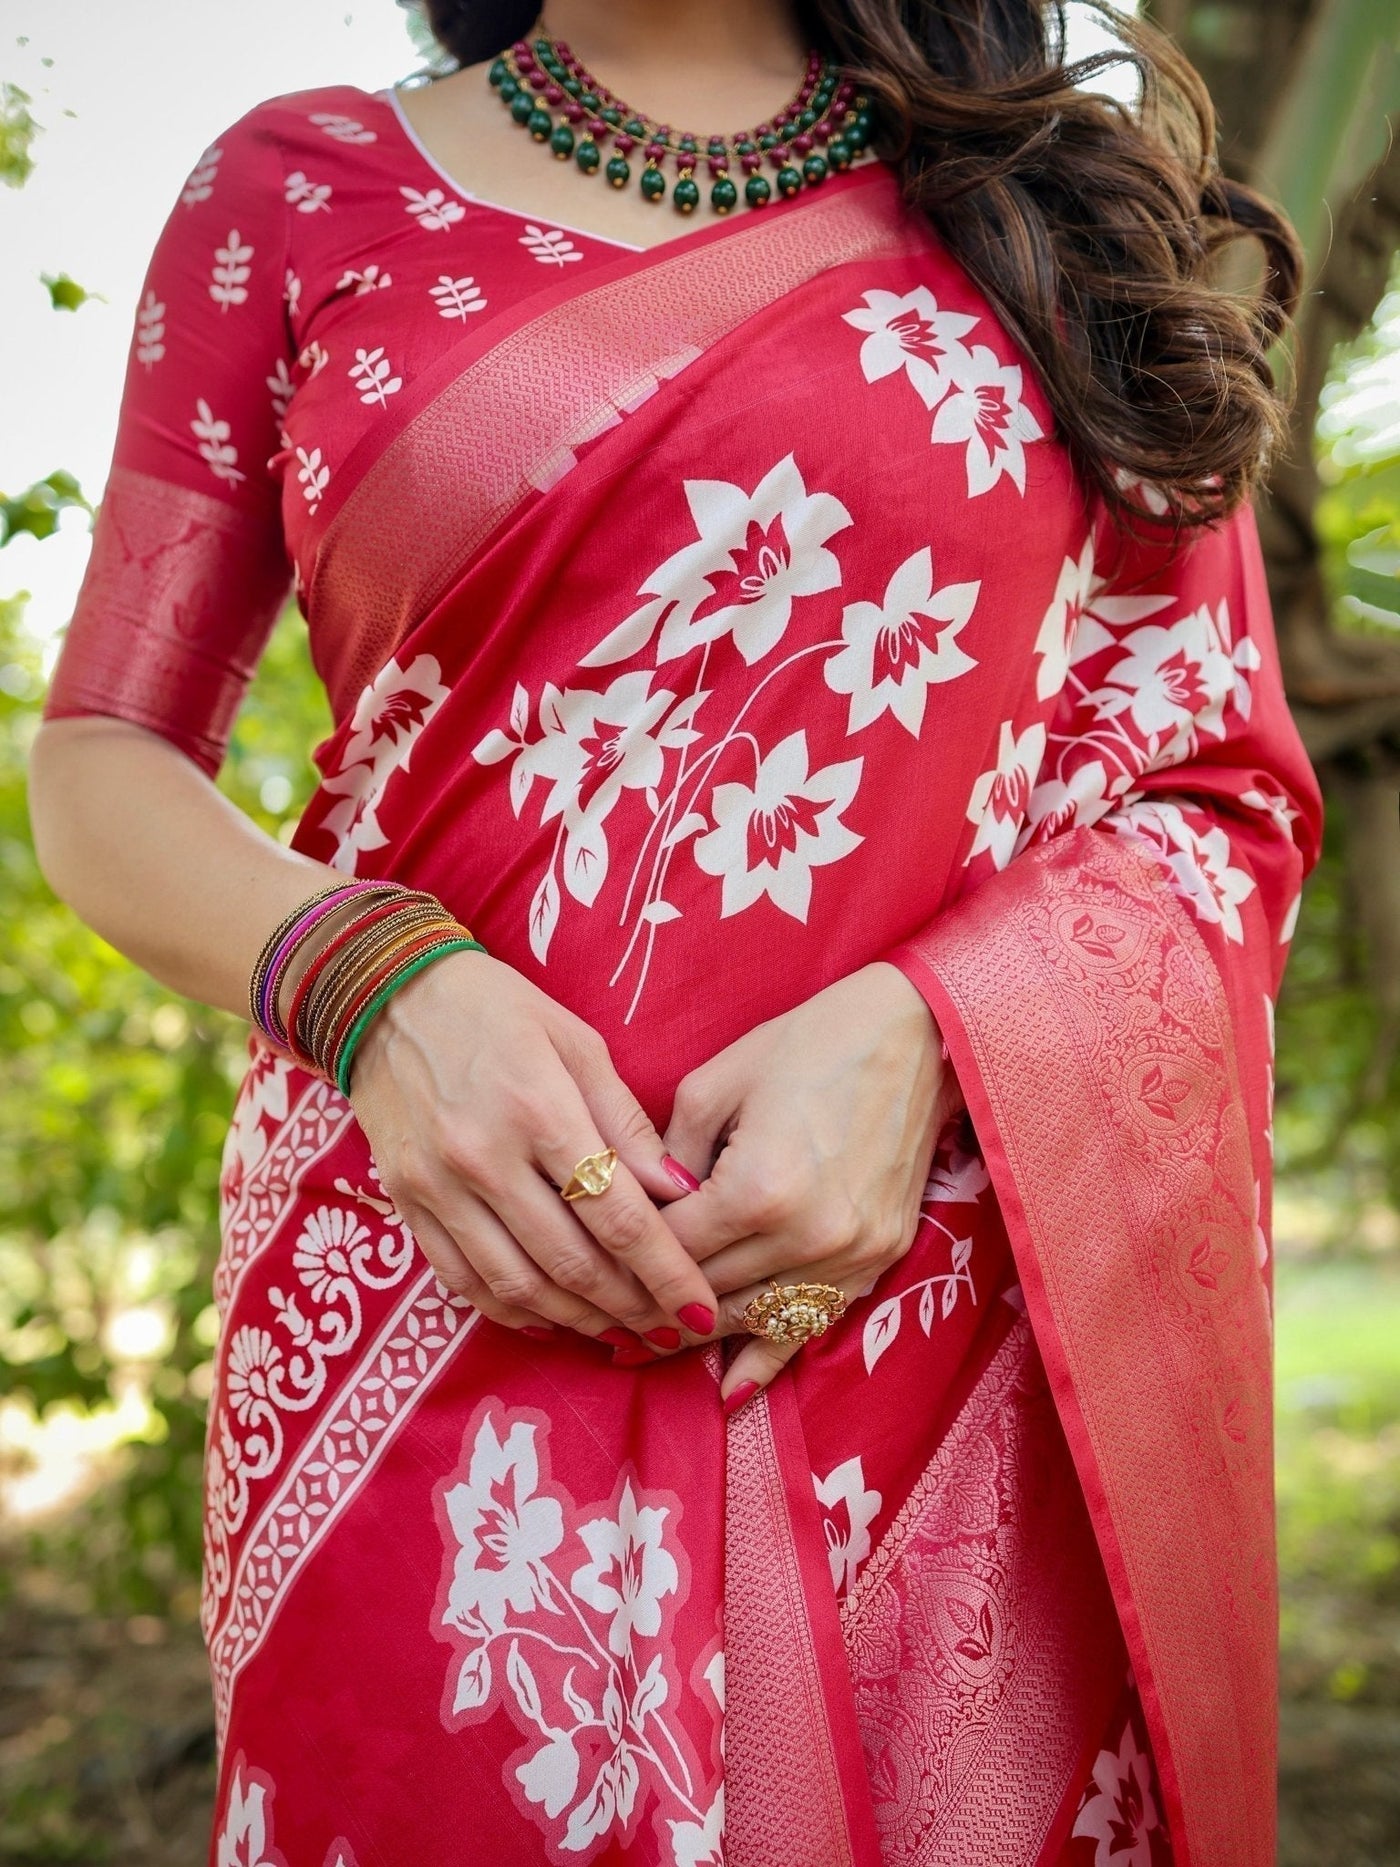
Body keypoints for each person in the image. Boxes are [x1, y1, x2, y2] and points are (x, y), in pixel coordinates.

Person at [29, 1, 1322, 1861]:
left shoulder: (1063, 221)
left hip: (934, 1336)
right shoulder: (298, 190)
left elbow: (1216, 794)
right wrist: (378, 988)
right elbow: (101, 760)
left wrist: (931, 1031)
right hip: (427, 1300)